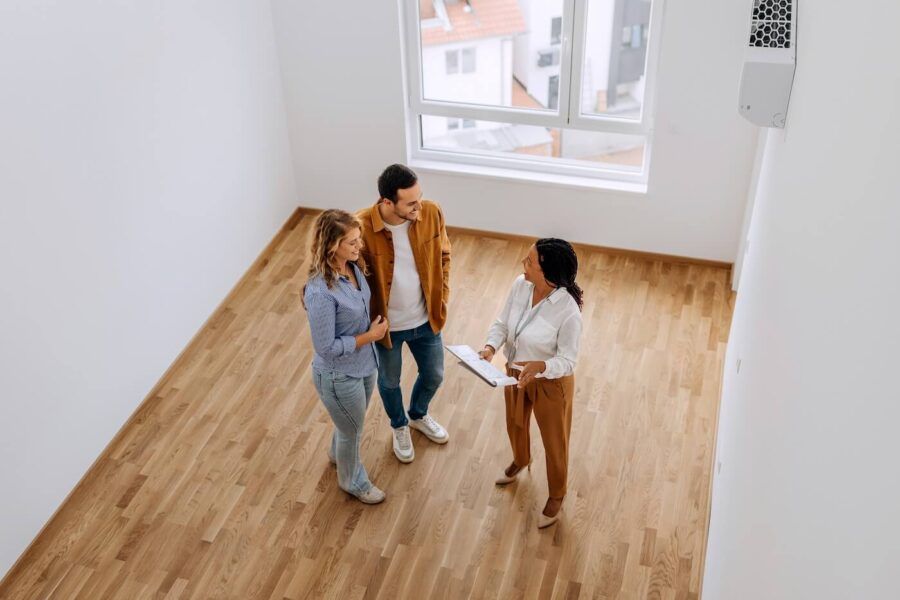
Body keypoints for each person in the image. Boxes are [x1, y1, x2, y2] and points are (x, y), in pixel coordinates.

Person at [479, 239, 584, 528]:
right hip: (514, 372)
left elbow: (569, 361)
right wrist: (490, 347)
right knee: (515, 422)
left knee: (555, 441)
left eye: (529, 262)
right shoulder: (520, 285)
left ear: (548, 273)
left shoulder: (568, 312)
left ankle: (557, 495)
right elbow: (502, 322)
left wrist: (542, 366)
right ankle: (521, 459)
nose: (523, 265)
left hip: (550, 383)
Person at [357, 164, 452, 463]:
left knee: (434, 375)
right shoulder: (360, 227)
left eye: (419, 198)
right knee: (389, 382)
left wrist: (442, 297)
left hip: (426, 319)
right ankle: (399, 426)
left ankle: (418, 415)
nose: (418, 206)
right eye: (410, 203)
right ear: (387, 202)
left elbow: (445, 256)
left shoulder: (432, 213)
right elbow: (347, 274)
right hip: (387, 327)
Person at [303, 209, 389, 504]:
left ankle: (336, 453)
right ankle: (352, 481)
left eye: (358, 239)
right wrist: (369, 337)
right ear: (332, 246)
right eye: (351, 242)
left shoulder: (352, 267)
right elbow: (325, 348)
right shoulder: (320, 292)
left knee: (350, 423)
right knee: (353, 429)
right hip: (339, 375)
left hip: (365, 363)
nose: (359, 246)